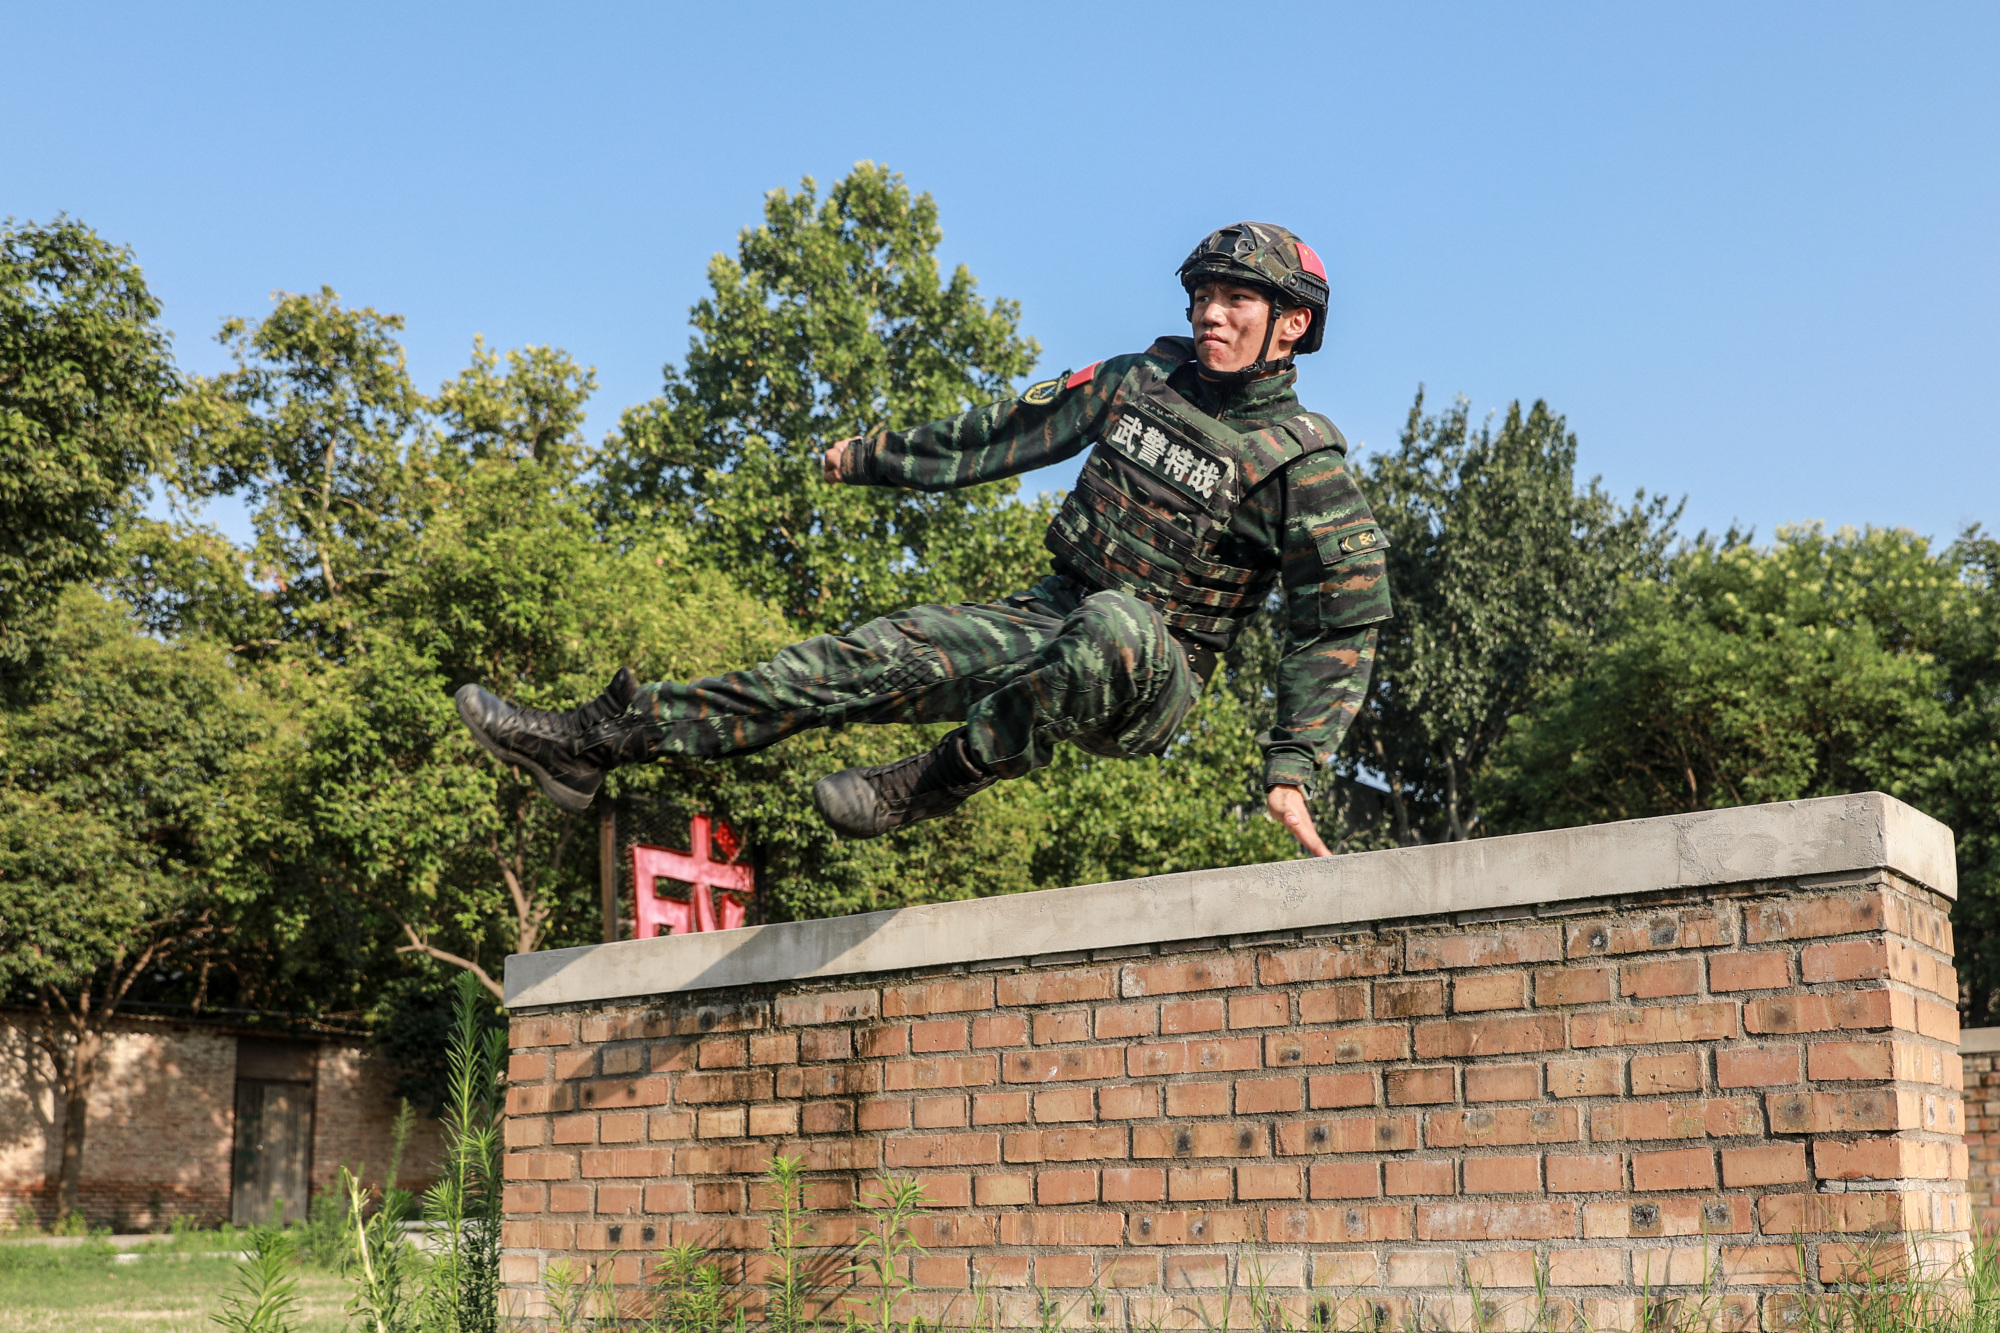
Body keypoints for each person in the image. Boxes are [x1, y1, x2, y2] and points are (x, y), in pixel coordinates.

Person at [455, 223, 1392, 858]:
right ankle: (598, 738)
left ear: (1292, 324)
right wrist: (874, 457)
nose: (1210, 314)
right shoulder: (1138, 381)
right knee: (862, 658)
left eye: (1235, 300)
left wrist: (1291, 771)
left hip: (1155, 675)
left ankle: (935, 779)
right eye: (1203, 297)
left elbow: (1337, 630)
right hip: (1050, 618)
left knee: (1111, 622)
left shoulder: (1302, 468)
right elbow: (1001, 435)